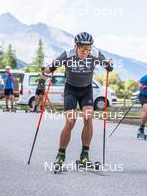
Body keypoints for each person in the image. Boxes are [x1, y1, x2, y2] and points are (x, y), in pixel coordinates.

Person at [45, 32, 113, 171]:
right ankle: (61, 155)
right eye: (83, 49)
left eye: (88, 49)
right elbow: (50, 68)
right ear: (76, 46)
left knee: (88, 118)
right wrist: (47, 69)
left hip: (86, 90)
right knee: (70, 121)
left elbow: (109, 67)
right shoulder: (67, 54)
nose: (85, 53)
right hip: (71, 90)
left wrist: (109, 65)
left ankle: (84, 156)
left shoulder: (95, 54)